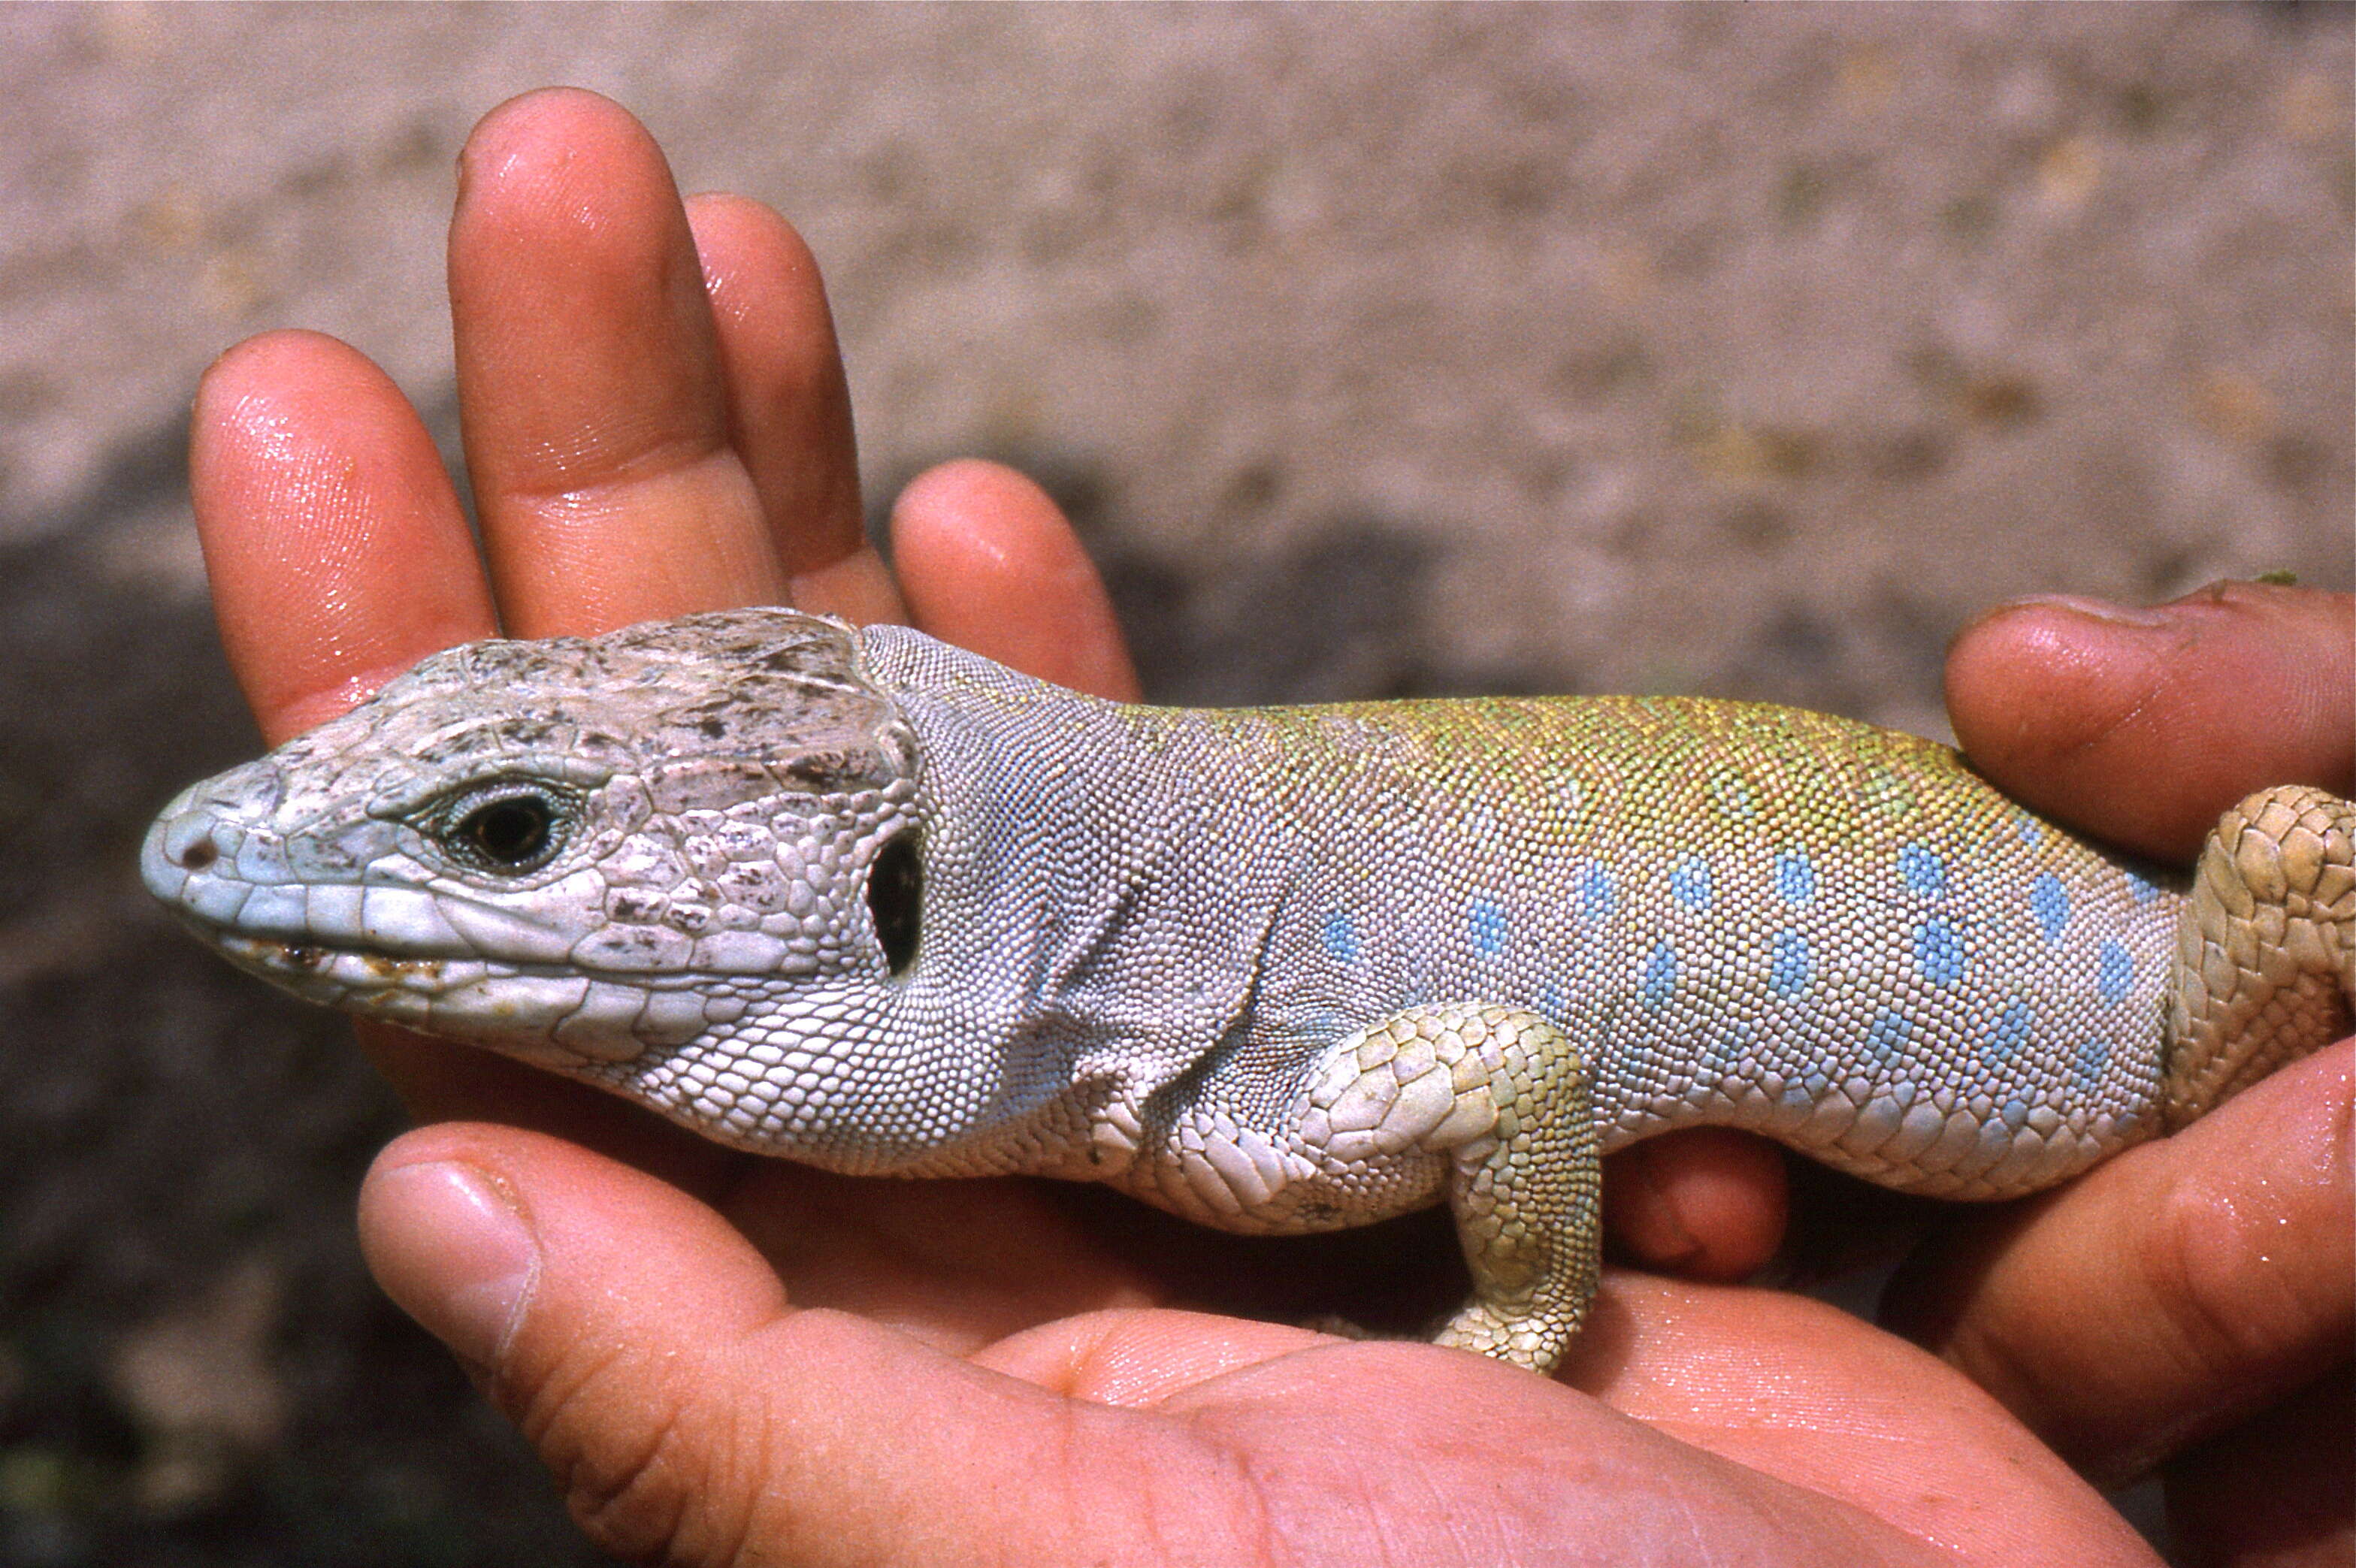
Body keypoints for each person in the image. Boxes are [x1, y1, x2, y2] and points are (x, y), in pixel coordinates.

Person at [186, 89, 2350, 1565]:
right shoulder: (1157, 1035)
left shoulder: (1246, 1107)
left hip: (2182, 1009)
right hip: (2132, 1167)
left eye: (505, 836)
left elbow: (1505, 1071)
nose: (222, 853)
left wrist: (1521, 1337)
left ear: (893, 884)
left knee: (2293, 850)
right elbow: (1504, 1070)